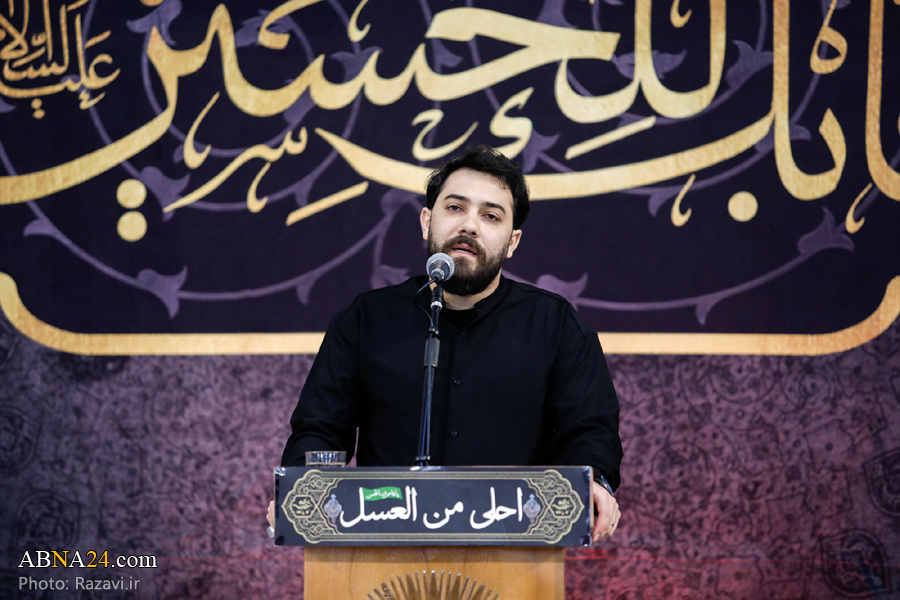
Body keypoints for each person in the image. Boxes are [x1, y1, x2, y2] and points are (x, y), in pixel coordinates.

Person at [270, 145, 622, 542]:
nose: (469, 226)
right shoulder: (367, 319)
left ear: (512, 242)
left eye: (490, 216)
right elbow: (320, 428)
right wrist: (301, 488)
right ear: (427, 221)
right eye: (455, 208)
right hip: (384, 545)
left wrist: (596, 481)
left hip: (514, 544)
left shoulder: (555, 325)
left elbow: (589, 430)